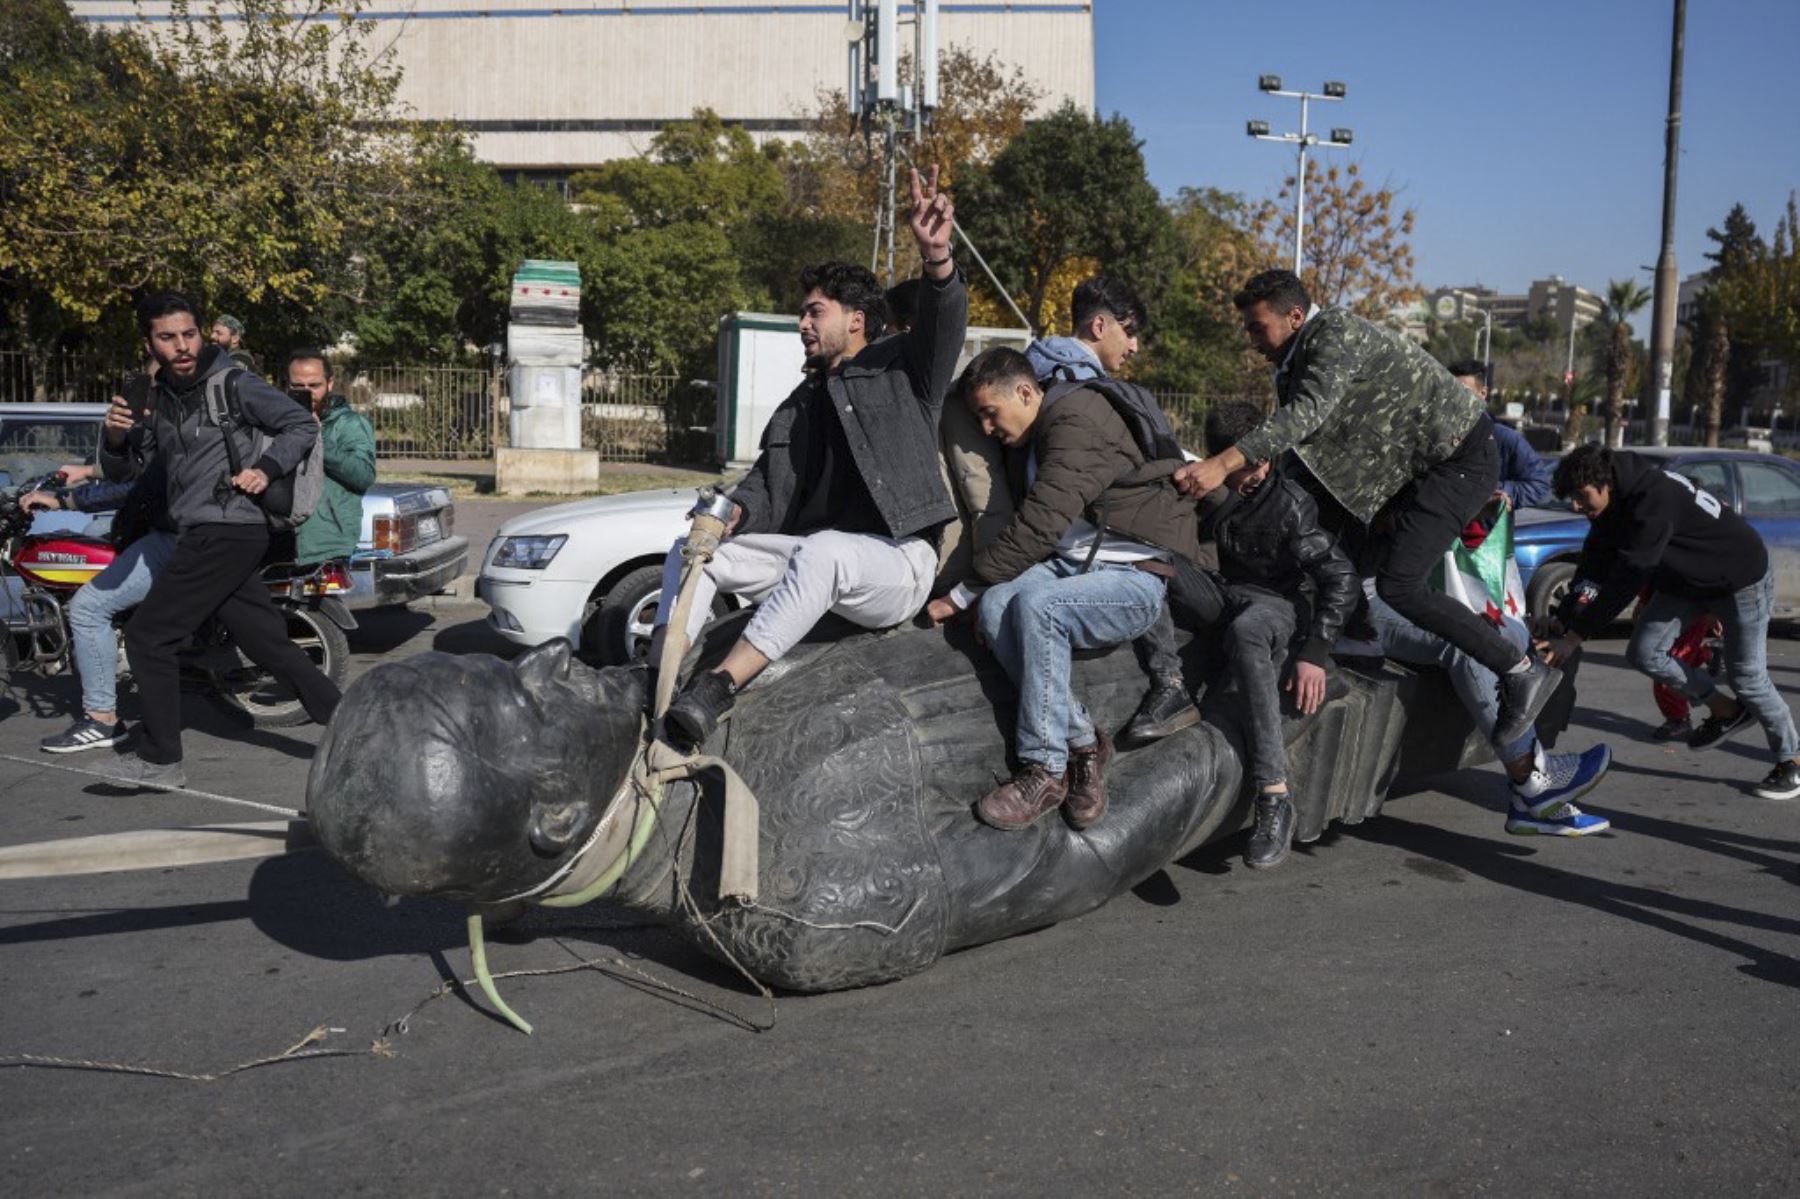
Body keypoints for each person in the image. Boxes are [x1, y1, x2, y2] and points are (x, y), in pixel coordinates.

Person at [1174, 270, 1562, 753]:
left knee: (1401, 585)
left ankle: (1520, 670)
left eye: (1258, 328)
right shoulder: (1293, 362)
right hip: (1411, 473)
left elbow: (1307, 414)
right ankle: (1354, 629)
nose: (1251, 340)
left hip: (1458, 460)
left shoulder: (1334, 334)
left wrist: (1224, 462)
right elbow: (1311, 457)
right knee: (1324, 532)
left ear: (1294, 316)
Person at [658, 167, 965, 747]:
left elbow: (945, 320)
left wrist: (938, 257)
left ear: (855, 320)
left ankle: (718, 688)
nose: (802, 323)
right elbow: (764, 486)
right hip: (816, 562)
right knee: (695, 554)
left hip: (899, 565)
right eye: (803, 312)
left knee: (826, 553)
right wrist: (730, 517)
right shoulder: (799, 404)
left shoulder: (906, 369)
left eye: (814, 311)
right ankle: (655, 677)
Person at [925, 346, 1202, 832]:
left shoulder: (1076, 418)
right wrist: (978, 596)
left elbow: (1039, 526)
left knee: (1036, 606)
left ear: (1027, 392)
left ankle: (1045, 769)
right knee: (996, 609)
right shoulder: (1032, 437)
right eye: (980, 419)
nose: (987, 429)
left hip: (1135, 575)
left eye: (991, 414)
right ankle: (1085, 743)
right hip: (1074, 566)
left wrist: (959, 593)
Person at [97, 291, 341, 788]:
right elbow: (130, 469)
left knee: (148, 635)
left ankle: (161, 758)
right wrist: (116, 437)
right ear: (150, 342)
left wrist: (264, 468)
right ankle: (357, 724)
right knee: (268, 642)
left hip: (227, 528)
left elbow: (300, 426)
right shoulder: (160, 398)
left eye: (189, 334)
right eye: (168, 337)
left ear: (202, 333)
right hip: (207, 530)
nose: (182, 346)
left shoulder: (234, 383)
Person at [1539, 445, 1800, 800]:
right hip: (1688, 584)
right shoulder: (1611, 507)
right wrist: (1564, 618)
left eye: (1582, 496)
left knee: (1747, 677)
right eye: (1571, 498)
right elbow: (1593, 569)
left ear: (1606, 484)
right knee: (1644, 652)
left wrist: (1576, 636)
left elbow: (1628, 577)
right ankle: (1726, 710)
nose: (1575, 506)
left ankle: (1792, 760)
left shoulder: (1652, 498)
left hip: (1740, 579)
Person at [1185, 400, 1358, 868]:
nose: (1258, 472)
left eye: (1263, 460)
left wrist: (1315, 653)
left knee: (1248, 630)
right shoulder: (1205, 492)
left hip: (1273, 604)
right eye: (1246, 464)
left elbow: (1340, 578)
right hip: (1221, 592)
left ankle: (1273, 795)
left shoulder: (1290, 506)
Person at [1349, 586, 1614, 836]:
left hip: (1377, 593)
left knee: (1481, 631)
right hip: (1354, 602)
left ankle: (1529, 796)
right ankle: (1532, 779)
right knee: (1464, 641)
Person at [19, 416, 174, 754]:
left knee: (88, 608)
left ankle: (101, 718)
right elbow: (135, 470)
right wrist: (88, 471)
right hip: (169, 528)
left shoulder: (175, 417)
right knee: (95, 539)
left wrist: (67, 500)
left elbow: (140, 483)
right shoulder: (177, 413)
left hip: (172, 535)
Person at [284, 350, 375, 566]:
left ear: (330, 383)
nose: (307, 393)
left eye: (314, 385)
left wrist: (317, 438)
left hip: (326, 540)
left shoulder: (350, 424)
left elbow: (363, 475)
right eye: (298, 387)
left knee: (325, 601)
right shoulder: (277, 422)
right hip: (281, 536)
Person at [1447, 358, 1552, 510]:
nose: (1456, 400)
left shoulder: (1506, 439)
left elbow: (1539, 485)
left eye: (1463, 393)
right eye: (1450, 393)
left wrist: (1492, 491)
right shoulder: (1434, 436)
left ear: (1483, 393)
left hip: (1486, 532)